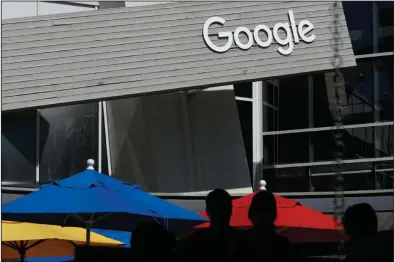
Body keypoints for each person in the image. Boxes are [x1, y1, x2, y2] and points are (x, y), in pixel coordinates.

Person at [238, 190, 297, 260]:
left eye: (264, 211)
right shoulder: (283, 245)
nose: (262, 215)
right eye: (259, 210)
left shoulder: (240, 242)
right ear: (274, 215)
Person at [181, 188, 240, 256]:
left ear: (208, 212)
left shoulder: (196, 241)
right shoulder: (240, 241)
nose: (221, 213)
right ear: (230, 210)